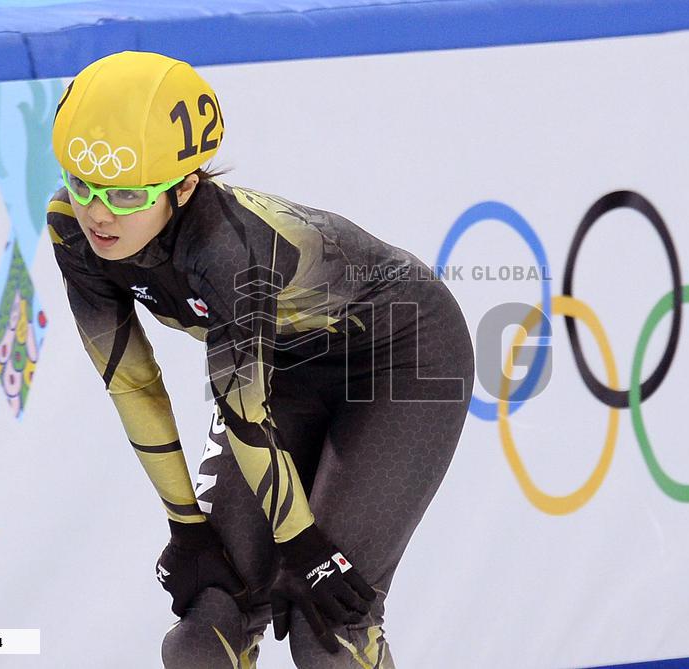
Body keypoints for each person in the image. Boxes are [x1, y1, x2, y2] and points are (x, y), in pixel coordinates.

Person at [47, 50, 474, 668]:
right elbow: (134, 385)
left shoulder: (227, 251)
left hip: (402, 359)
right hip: (290, 365)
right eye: (82, 184)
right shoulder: (71, 228)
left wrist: (304, 546)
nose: (97, 213)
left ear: (185, 186)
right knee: (201, 639)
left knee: (325, 631)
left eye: (126, 195)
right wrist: (185, 527)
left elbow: (243, 413)